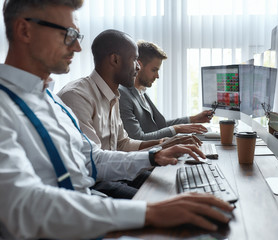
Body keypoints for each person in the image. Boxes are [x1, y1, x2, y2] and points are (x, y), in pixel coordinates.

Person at [0, 1, 233, 239]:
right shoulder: (9, 106)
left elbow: (92, 159)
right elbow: (23, 205)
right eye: (68, 34)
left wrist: (154, 155)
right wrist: (148, 212)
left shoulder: (52, 101)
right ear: (24, 31)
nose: (78, 47)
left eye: (77, 35)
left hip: (89, 211)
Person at [57, 29, 201, 199]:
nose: (138, 66)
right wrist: (157, 151)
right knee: (165, 200)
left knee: (177, 185)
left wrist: (164, 143)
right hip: (96, 181)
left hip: (116, 172)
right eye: (134, 60)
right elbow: (93, 161)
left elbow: (122, 143)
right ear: (115, 60)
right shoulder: (77, 96)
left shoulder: (113, 94)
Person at [119, 40, 214, 140]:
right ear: (139, 65)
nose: (157, 76)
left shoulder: (141, 91)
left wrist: (193, 119)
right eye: (154, 70)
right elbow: (137, 138)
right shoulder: (123, 95)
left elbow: (159, 125)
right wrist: (177, 129)